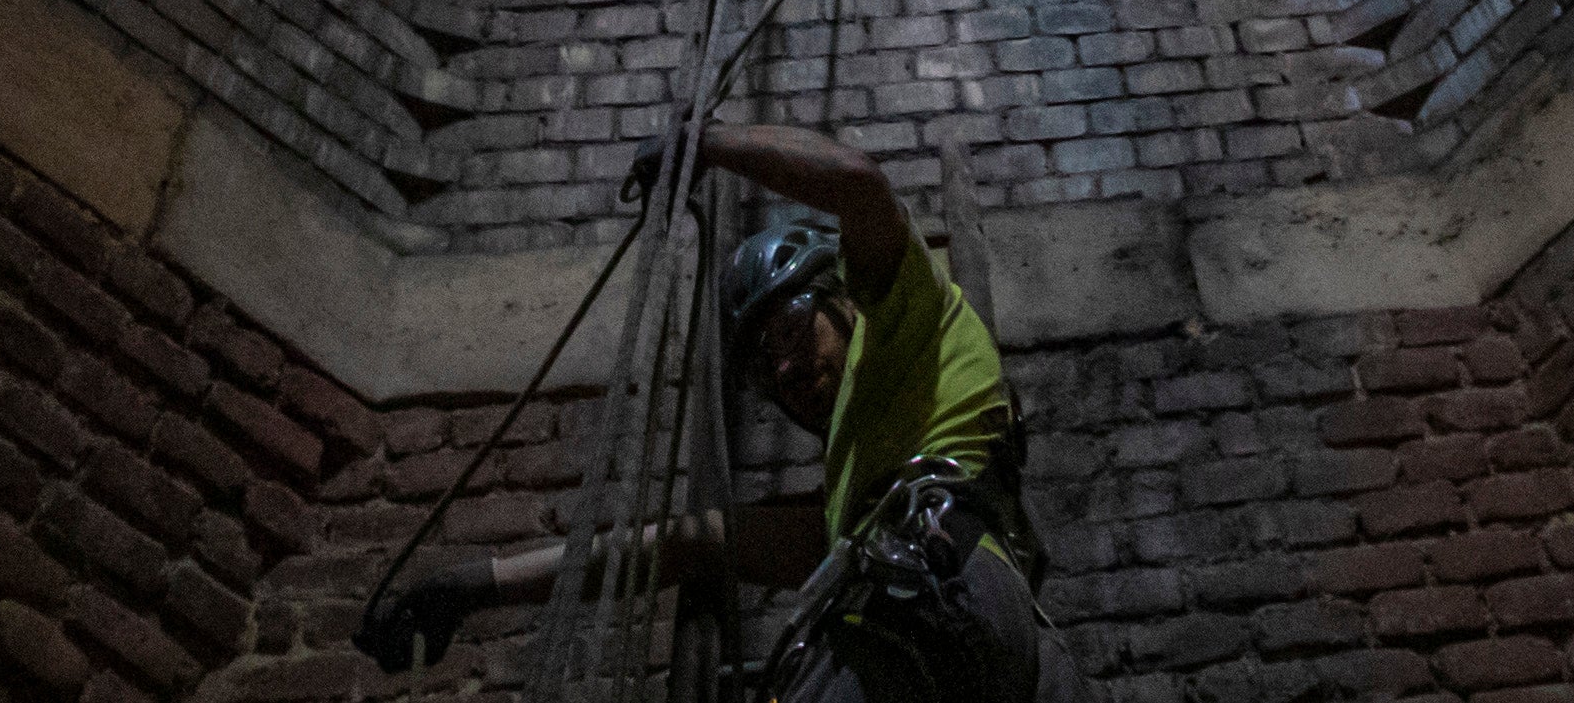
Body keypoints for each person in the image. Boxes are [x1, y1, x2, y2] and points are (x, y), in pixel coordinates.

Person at [354, 122, 1081, 700]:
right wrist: (475, 583)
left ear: (844, 296)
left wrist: (701, 141)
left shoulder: (907, 321)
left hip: (934, 601)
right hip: (997, 637)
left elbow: (858, 183)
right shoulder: (861, 499)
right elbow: (684, 544)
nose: (786, 368)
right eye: (763, 368)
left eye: (792, 329)